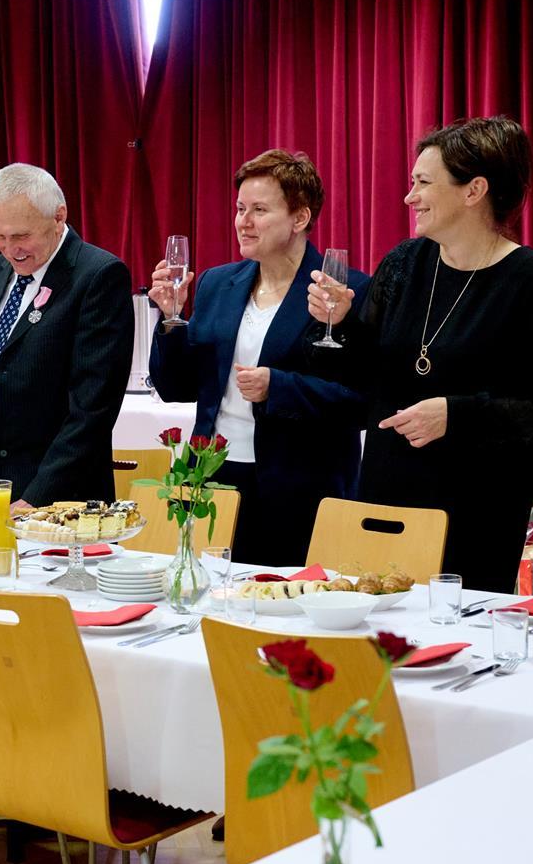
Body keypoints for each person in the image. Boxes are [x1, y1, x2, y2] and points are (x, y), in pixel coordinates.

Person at [308, 116, 533, 592]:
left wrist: (456, 415)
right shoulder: (403, 263)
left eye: (423, 183)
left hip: (477, 509)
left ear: (474, 190)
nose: (409, 197)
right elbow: (361, 376)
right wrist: (337, 323)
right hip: (389, 494)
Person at [147, 150, 368, 564]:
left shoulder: (345, 291)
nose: (243, 222)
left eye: (259, 210)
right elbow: (177, 387)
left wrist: (277, 387)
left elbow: (359, 403)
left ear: (299, 218)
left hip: (299, 486)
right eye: (240, 209)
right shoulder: (217, 283)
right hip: (213, 476)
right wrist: (172, 319)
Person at [0, 164, 132, 506]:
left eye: (22, 236)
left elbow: (92, 410)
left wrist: (37, 498)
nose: (10, 249)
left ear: (58, 217)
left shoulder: (98, 276)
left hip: (64, 498)